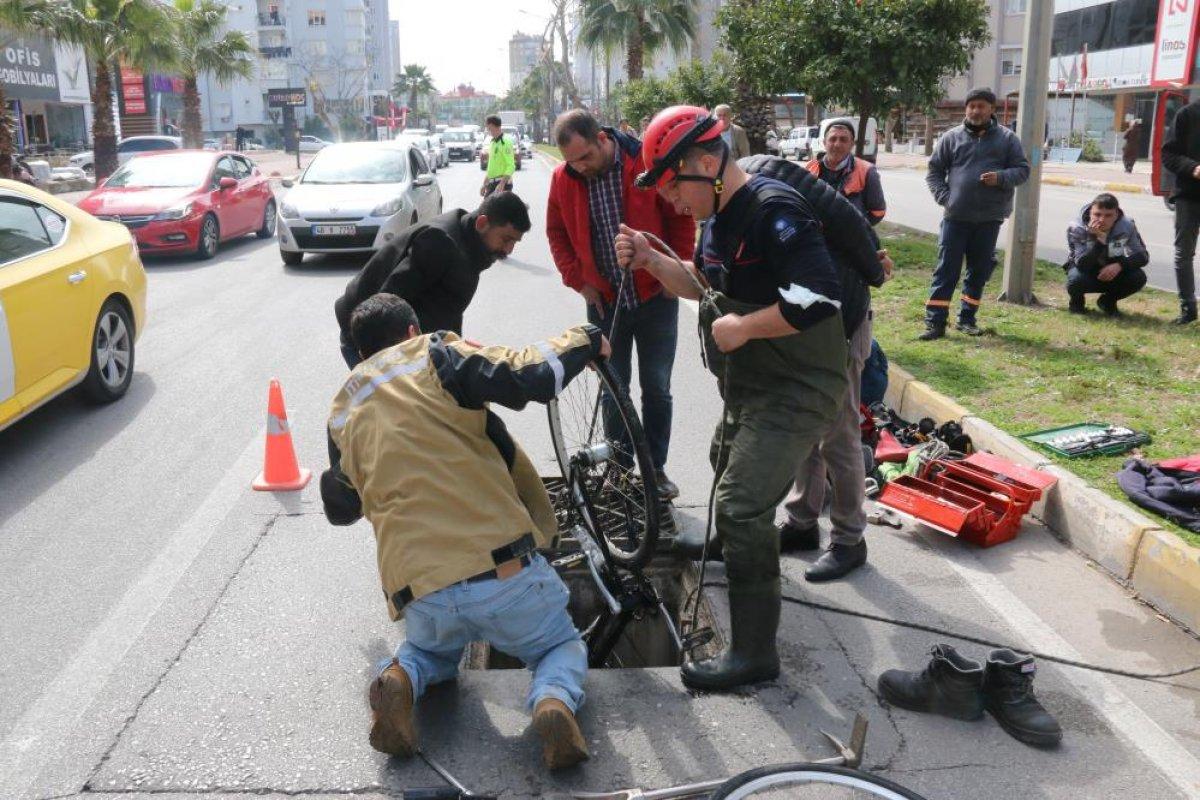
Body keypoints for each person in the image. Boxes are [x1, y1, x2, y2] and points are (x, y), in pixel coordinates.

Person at [321, 293, 609, 770]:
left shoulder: (342, 411)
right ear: (411, 331)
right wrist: (587, 339)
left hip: (420, 588)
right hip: (503, 570)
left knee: (427, 653)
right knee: (559, 646)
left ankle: (400, 678)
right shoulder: (436, 356)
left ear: (360, 351)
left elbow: (341, 507)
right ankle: (552, 701)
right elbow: (529, 374)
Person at [615, 105, 848, 691]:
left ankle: (753, 653)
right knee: (724, 457)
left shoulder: (774, 212)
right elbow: (704, 284)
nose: (671, 201)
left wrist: (743, 328)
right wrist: (652, 260)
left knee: (743, 503)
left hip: (797, 386)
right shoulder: (718, 215)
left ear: (707, 162)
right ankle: (726, 546)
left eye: (674, 186)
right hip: (752, 381)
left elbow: (820, 298)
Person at [547, 108, 696, 499]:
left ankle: (655, 471)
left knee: (657, 388)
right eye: (572, 162)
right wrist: (580, 283)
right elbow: (556, 233)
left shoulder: (644, 164)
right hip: (604, 302)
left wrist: (675, 274)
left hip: (656, 296)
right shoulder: (563, 178)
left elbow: (680, 218)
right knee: (613, 388)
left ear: (602, 138)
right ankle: (620, 472)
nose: (580, 167)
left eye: (585, 157)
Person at [334, 192, 532, 368]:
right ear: (482, 223)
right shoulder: (440, 242)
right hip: (368, 337)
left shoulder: (472, 244)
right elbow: (387, 303)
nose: (509, 250)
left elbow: (448, 307)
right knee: (396, 398)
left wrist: (455, 350)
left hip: (405, 339)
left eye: (515, 242)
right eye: (506, 239)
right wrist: (385, 366)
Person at [923, 87, 1029, 340]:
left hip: (989, 219)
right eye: (971, 106)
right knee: (946, 270)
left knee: (978, 271)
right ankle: (935, 322)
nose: (975, 111)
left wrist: (1001, 178)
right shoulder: (951, 138)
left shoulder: (1007, 139)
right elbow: (934, 172)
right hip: (955, 218)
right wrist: (945, 198)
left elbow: (1023, 170)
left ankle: (967, 319)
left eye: (981, 106)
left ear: (992, 109)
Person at [1064, 193, 1148, 316]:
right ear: (1090, 213)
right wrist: (1100, 241)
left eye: (1108, 215)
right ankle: (1076, 304)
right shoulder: (1077, 228)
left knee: (1138, 277)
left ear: (1116, 215)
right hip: (1086, 269)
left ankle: (1107, 302)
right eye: (1097, 214)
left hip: (1112, 266)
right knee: (1075, 280)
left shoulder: (1127, 225)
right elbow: (1082, 264)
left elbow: (1143, 256)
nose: (1102, 220)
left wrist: (1119, 265)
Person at [1160, 98, 1200, 324]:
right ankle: (1188, 309)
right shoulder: (1187, 114)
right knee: (1184, 253)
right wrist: (1193, 168)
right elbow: (1168, 154)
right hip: (1189, 195)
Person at [805, 119, 886, 226]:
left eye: (843, 140)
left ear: (852, 144)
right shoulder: (810, 167)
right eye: (832, 139)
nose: (837, 144)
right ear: (824, 143)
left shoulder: (867, 171)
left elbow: (878, 212)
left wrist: (855, 229)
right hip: (815, 234)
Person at [481, 114, 516, 197]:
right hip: (492, 184)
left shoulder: (505, 142)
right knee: (486, 205)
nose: (488, 130)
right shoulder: (493, 142)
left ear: (493, 126)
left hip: (501, 184)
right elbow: (491, 167)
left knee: (489, 205)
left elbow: (511, 166)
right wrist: (484, 184)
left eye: (489, 127)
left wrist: (502, 184)